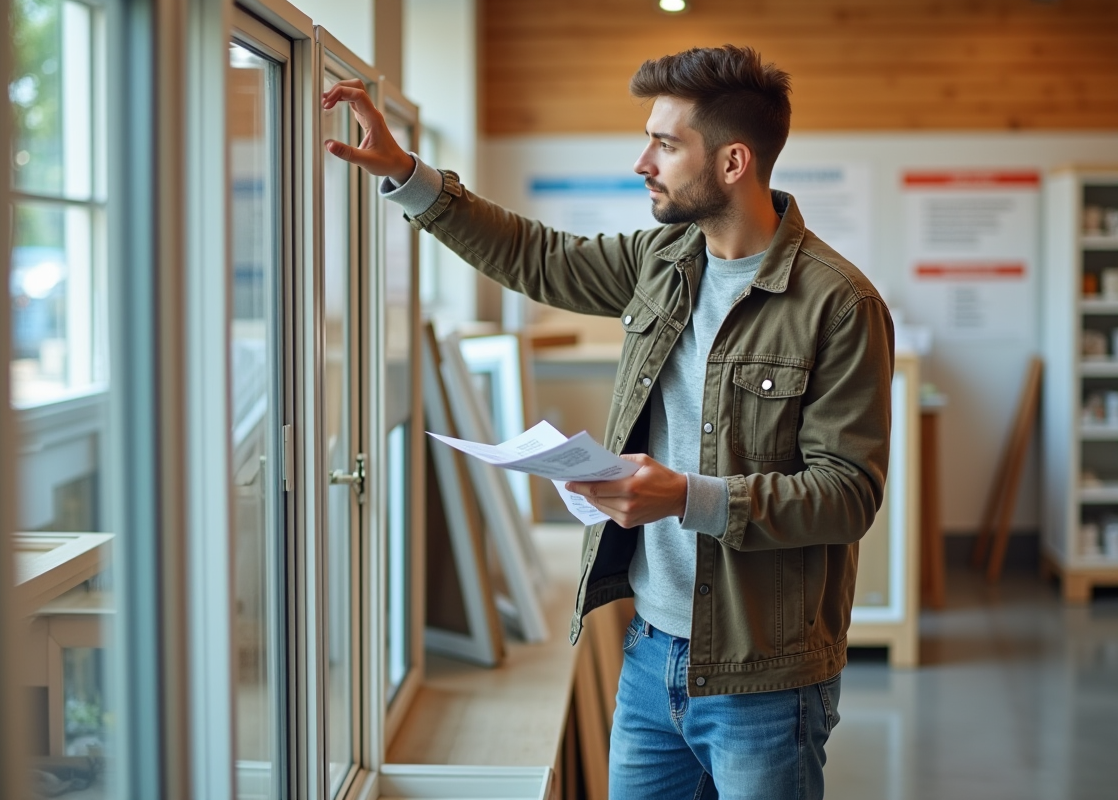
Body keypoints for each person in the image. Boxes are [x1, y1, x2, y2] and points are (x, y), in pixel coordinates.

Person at [323, 44, 893, 800]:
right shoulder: (663, 259)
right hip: (650, 654)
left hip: (765, 680)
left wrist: (688, 496)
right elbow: (536, 255)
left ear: (732, 163)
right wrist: (406, 175)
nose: (642, 162)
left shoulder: (840, 305)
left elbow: (849, 494)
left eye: (664, 143)